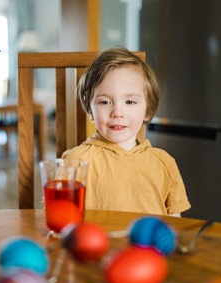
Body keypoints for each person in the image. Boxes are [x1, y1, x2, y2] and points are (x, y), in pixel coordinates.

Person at [62, 48, 191, 216]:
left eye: (130, 101)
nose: (117, 112)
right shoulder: (77, 161)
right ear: (90, 111)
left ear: (148, 110)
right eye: (105, 102)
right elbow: (60, 217)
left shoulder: (164, 164)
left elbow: (175, 222)